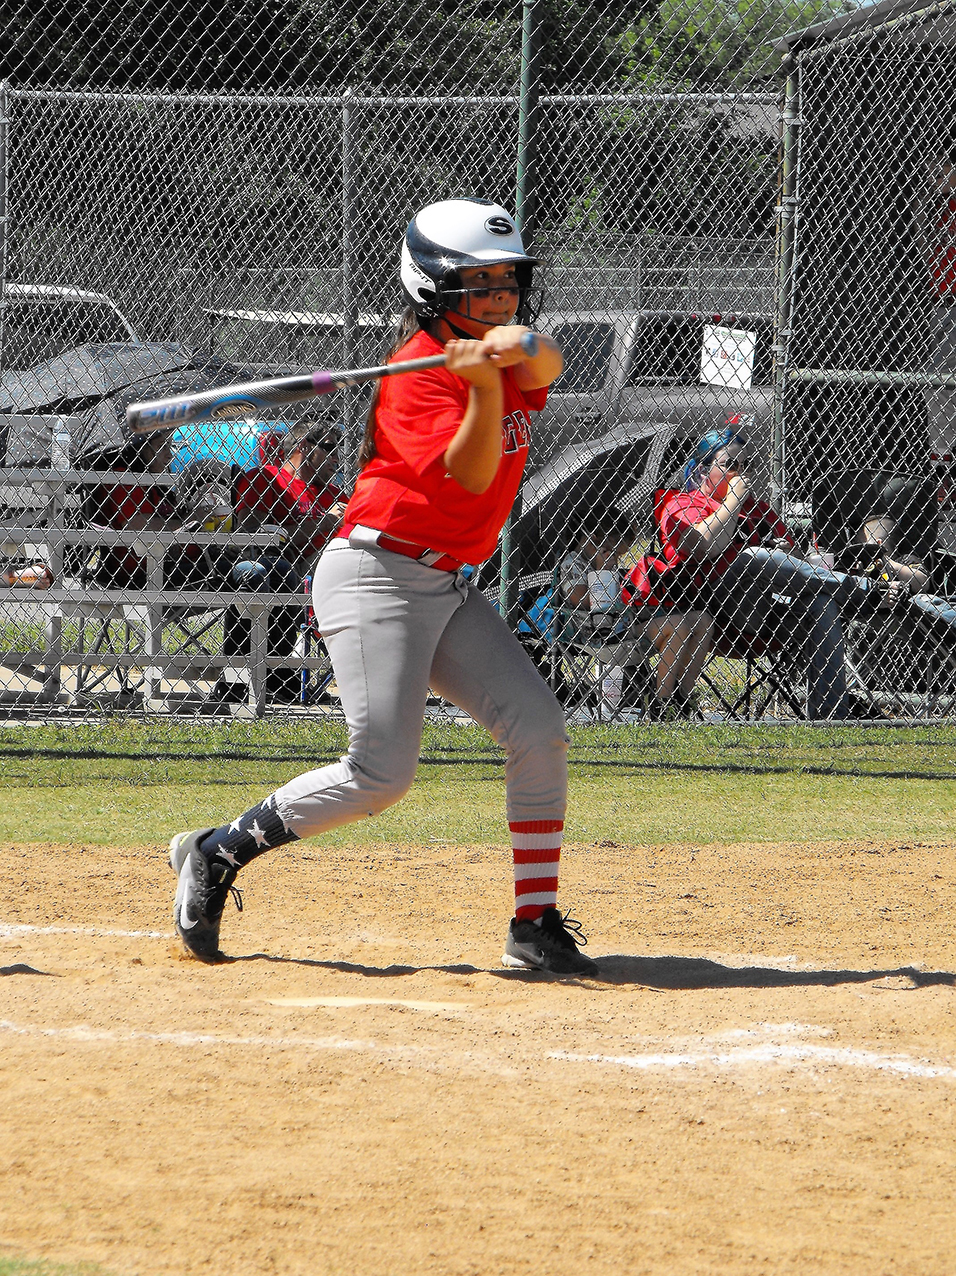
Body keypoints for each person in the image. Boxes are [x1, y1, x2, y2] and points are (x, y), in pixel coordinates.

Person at [168, 195, 597, 975]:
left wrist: (513, 349)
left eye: (509, 280)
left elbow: (550, 362)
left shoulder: (494, 350)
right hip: (376, 574)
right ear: (434, 287)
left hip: (445, 583)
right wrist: (484, 386)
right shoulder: (413, 376)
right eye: (481, 282)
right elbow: (469, 476)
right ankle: (215, 851)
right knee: (380, 774)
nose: (500, 295)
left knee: (539, 730)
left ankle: (533, 923)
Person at [650, 425, 881, 720]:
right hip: (713, 611)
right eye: (730, 465)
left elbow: (802, 567)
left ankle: (830, 716)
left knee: (822, 604)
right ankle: (864, 590)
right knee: (753, 557)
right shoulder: (682, 503)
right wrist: (732, 501)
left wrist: (788, 555)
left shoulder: (759, 510)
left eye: (746, 465)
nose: (741, 472)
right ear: (701, 470)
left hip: (768, 613)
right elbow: (704, 545)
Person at [212, 422, 344, 704]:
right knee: (269, 569)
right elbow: (253, 533)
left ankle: (274, 679)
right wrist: (324, 522)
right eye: (330, 448)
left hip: (334, 574)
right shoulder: (265, 478)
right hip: (282, 569)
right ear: (304, 447)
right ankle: (261, 679)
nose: (337, 458)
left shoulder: (337, 495)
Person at [560, 508, 713, 717]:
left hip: (623, 627)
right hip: (600, 637)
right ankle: (662, 704)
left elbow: (618, 601)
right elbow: (582, 602)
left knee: (702, 620)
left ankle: (681, 698)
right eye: (612, 552)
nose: (614, 559)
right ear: (591, 538)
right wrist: (601, 571)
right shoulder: (572, 562)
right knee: (676, 626)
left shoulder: (603, 561)